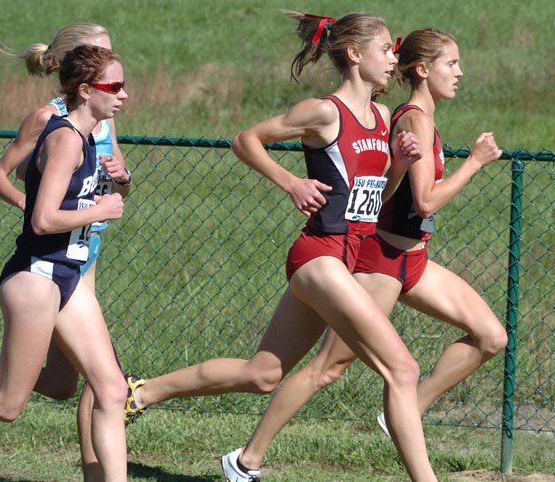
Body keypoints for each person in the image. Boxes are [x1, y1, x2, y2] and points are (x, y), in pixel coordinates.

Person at [120, 11, 436, 481]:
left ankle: (141, 392)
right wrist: (290, 182)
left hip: (350, 256)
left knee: (262, 374)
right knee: (403, 370)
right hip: (319, 255)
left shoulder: (383, 116)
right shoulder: (325, 112)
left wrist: (396, 167)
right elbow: (246, 140)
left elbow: (372, 203)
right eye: (386, 48)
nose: (394, 58)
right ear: (354, 54)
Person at [220, 28, 508, 481]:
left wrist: (394, 165)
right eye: (452, 63)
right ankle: (248, 459)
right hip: (380, 261)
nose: (460, 72)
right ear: (423, 69)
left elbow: (378, 192)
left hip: (413, 257)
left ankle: (401, 412)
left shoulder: (395, 114)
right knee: (326, 369)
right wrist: (473, 162)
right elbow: (426, 201)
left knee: (490, 337)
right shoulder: (411, 117)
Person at [0, 22, 135, 482]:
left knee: (109, 388)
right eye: (114, 85)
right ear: (84, 86)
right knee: (8, 406)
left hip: (72, 268)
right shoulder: (60, 133)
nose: (123, 95)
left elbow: (89, 192)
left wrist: (118, 183)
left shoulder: (93, 128)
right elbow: (42, 220)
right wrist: (97, 208)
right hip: (39, 275)